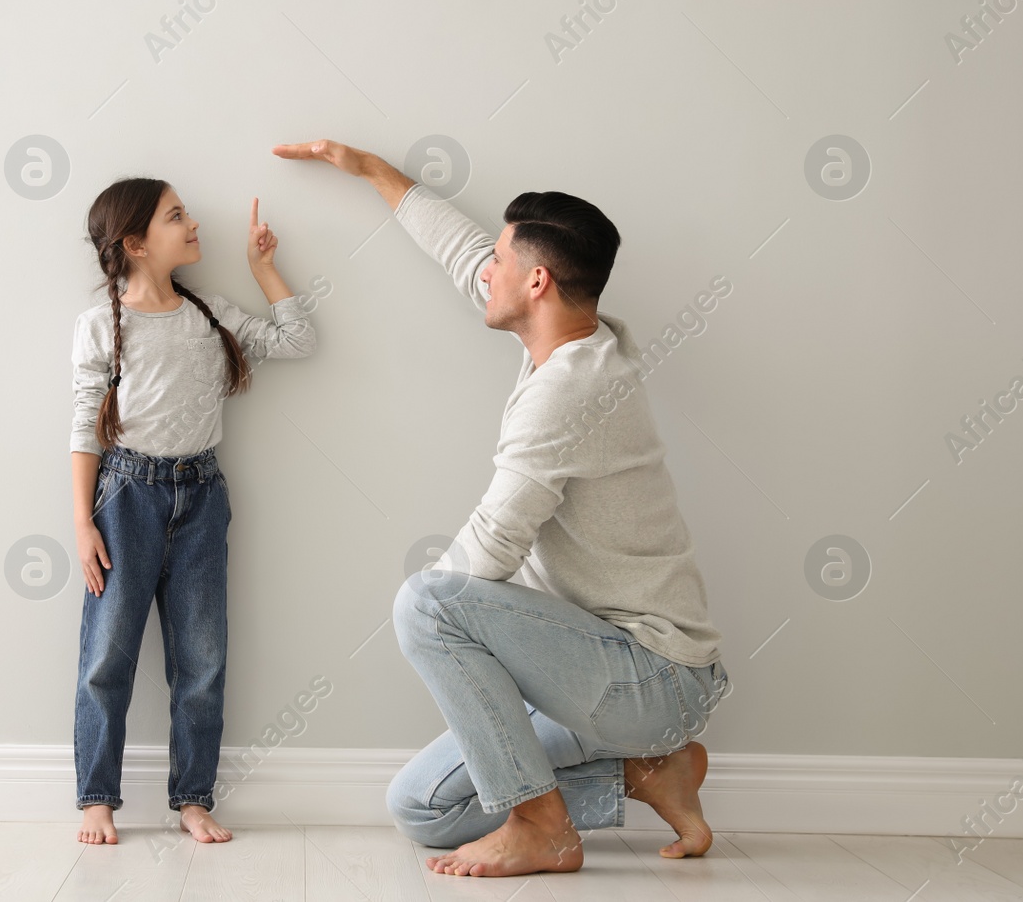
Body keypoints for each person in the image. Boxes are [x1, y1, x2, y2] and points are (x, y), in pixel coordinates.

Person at [274, 139, 730, 878]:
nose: (486, 271)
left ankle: (543, 827)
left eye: (501, 260)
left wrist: (450, 642)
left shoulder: (568, 392)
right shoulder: (569, 340)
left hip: (647, 675)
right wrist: (368, 171)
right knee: (424, 808)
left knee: (428, 601)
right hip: (591, 668)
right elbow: (463, 254)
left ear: (539, 280)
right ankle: (646, 774)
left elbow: (487, 555)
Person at [69, 178, 318, 845]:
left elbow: (299, 339)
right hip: (125, 497)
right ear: (136, 243)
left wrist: (264, 269)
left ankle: (192, 798)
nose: (193, 222)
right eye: (177, 215)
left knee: (202, 658)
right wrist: (82, 521)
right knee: (106, 656)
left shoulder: (210, 313)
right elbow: (83, 428)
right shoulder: (99, 325)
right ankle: (97, 798)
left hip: (202, 497)